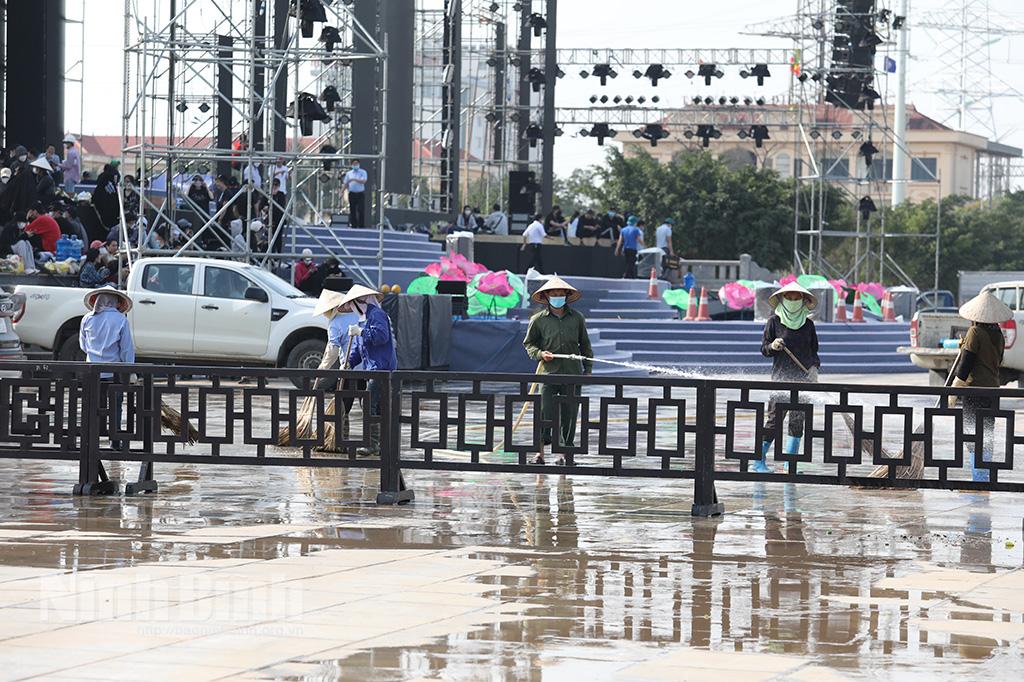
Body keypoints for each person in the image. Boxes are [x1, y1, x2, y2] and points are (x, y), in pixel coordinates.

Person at [523, 276, 593, 465]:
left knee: (570, 414)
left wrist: (588, 369)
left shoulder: (577, 318)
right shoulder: (538, 320)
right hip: (548, 373)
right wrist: (540, 354)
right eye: (553, 295)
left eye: (561, 294)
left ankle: (564, 455)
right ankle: (539, 453)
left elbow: (585, 345)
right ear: (546, 296)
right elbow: (529, 344)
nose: (557, 297)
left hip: (572, 373)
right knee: (545, 413)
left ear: (567, 296)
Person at [753, 282, 821, 474]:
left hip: (803, 381)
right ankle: (758, 461)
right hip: (780, 380)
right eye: (788, 297)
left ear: (803, 301)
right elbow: (764, 349)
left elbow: (814, 352)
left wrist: (814, 368)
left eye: (796, 298)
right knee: (774, 421)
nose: (792, 301)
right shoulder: (774, 322)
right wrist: (772, 346)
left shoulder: (808, 325)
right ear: (782, 300)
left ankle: (790, 464)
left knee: (797, 422)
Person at [951, 291, 1012, 482]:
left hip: (975, 390)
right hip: (993, 391)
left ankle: (977, 478)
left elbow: (965, 365)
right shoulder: (998, 335)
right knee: (987, 434)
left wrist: (954, 390)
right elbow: (999, 360)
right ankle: (984, 477)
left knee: (971, 434)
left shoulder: (974, 332)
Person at [344, 284, 398, 457]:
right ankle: (381, 444)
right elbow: (361, 350)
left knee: (370, 406)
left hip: (381, 369)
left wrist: (361, 332)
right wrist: (349, 362)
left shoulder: (377, 315)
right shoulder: (364, 319)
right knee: (375, 407)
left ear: (361, 301)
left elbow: (381, 337)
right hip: (372, 369)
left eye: (353, 304)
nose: (352, 308)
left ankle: (373, 445)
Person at [79, 286, 135, 450]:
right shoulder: (121, 320)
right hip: (114, 372)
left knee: (93, 404)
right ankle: (114, 440)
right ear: (115, 302)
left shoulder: (87, 319)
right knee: (115, 405)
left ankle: (92, 439)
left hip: (91, 371)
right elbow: (126, 350)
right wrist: (129, 370)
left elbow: (83, 346)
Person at [92, 162, 121, 228]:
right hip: (112, 215)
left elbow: (95, 197)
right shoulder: (112, 184)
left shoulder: (102, 181)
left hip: (101, 215)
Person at [343, 159, 368, 228]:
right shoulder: (349, 173)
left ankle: (361, 225)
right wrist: (342, 191)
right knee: (352, 209)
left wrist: (354, 179)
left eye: (357, 164)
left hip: (360, 193)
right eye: (354, 164)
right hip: (352, 193)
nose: (355, 165)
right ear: (352, 165)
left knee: (361, 209)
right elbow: (346, 183)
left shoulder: (363, 172)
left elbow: (364, 181)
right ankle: (354, 225)